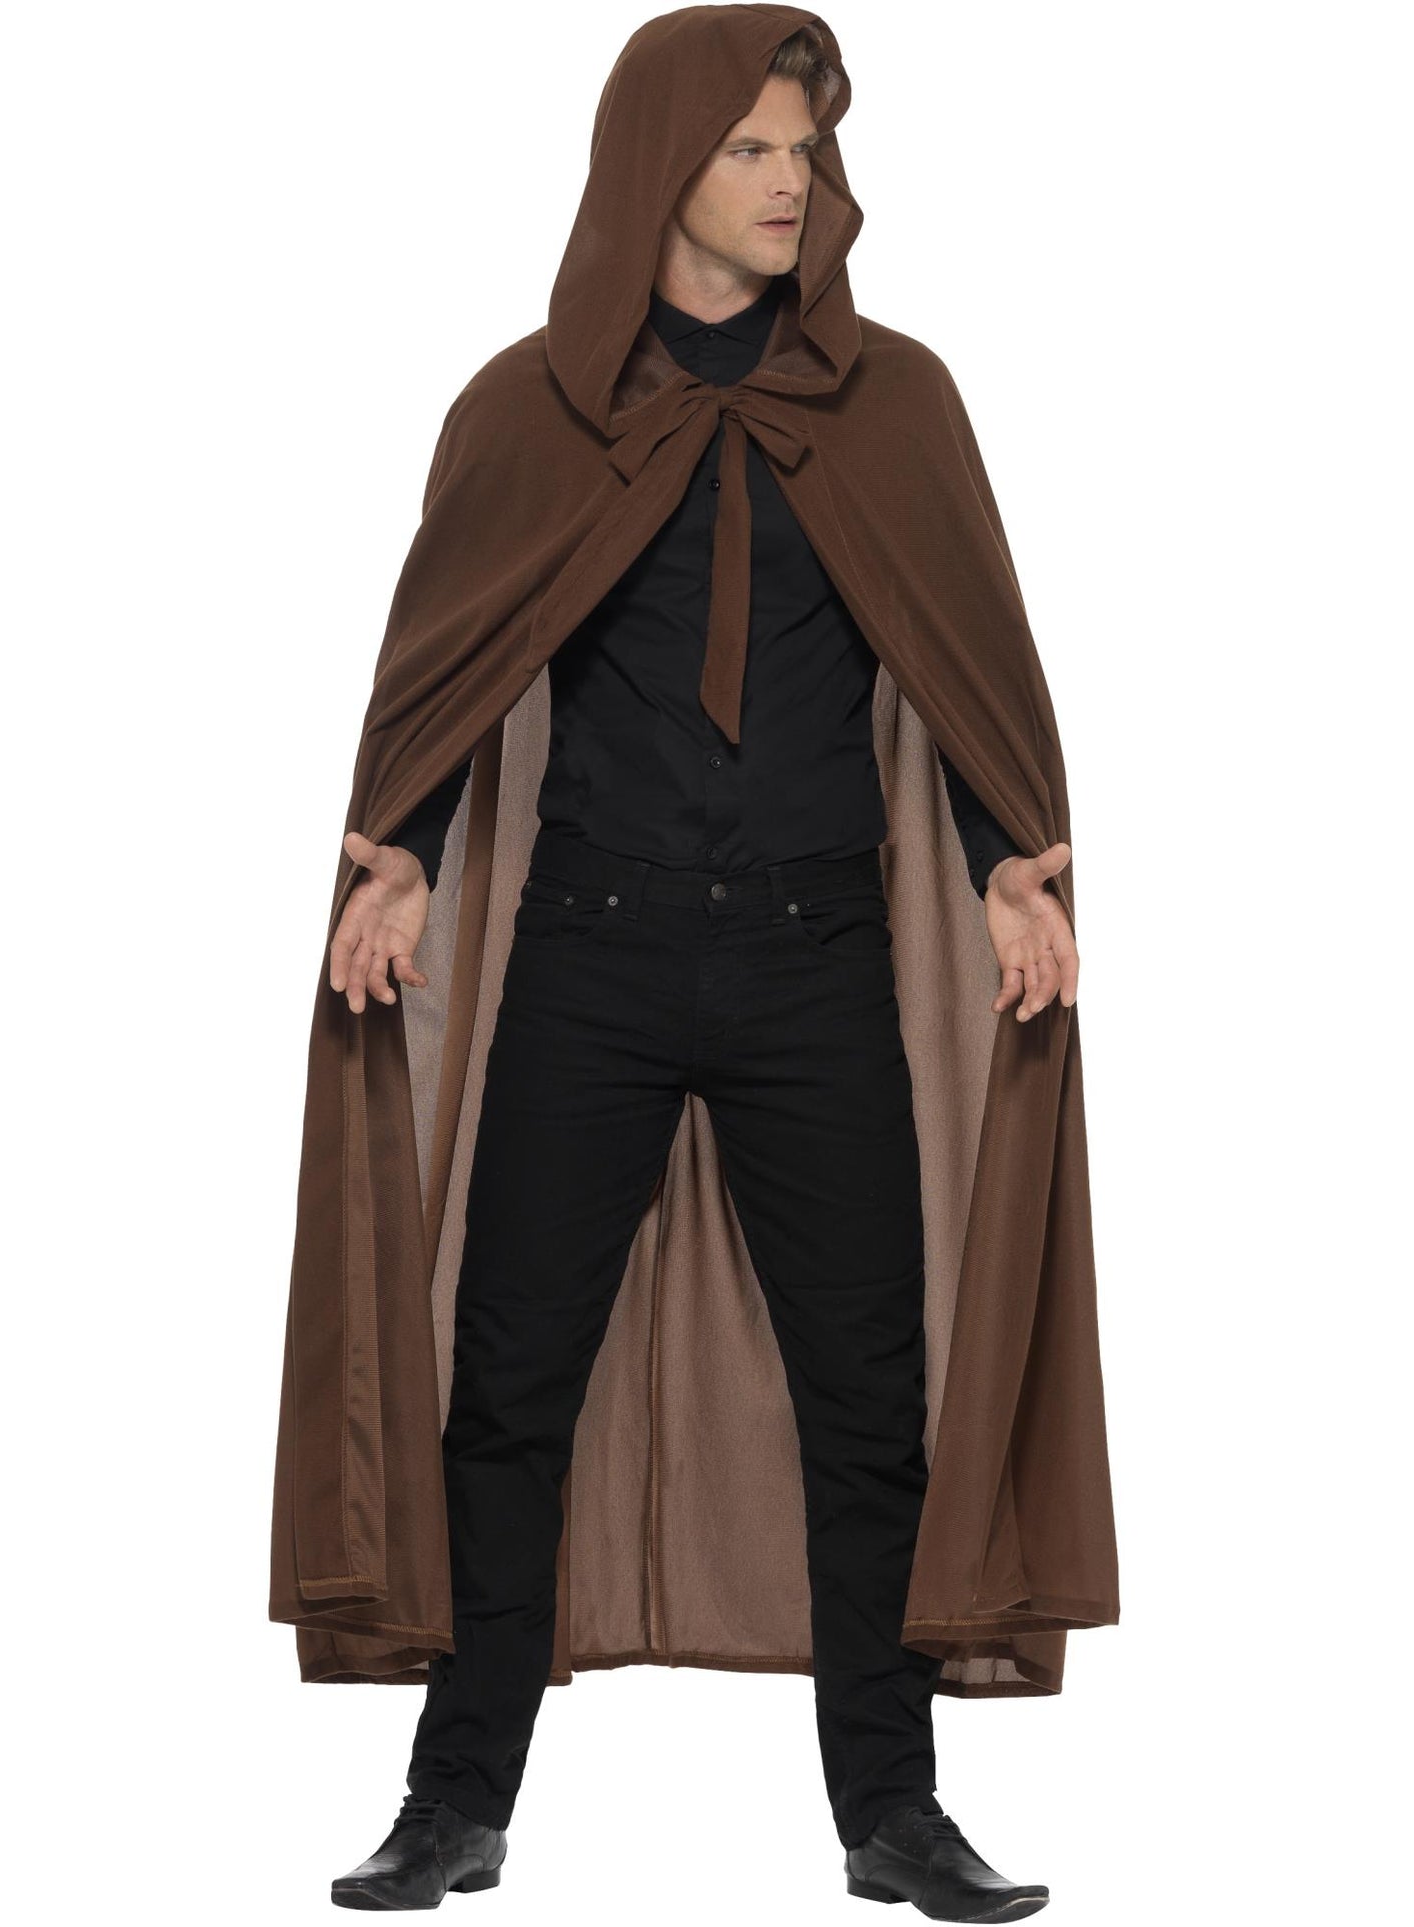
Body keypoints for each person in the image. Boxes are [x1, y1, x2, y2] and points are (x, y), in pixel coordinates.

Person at [306, 12, 1096, 1920]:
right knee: (509, 1385)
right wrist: (399, 848)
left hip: (815, 960)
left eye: (804, 149)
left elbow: (959, 652)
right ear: (655, 163)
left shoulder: (895, 403)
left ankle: (891, 1817)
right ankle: (454, 1803)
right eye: (750, 147)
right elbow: (452, 648)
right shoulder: (532, 406)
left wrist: (1007, 863)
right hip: (589, 951)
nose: (789, 180)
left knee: (867, 1398)